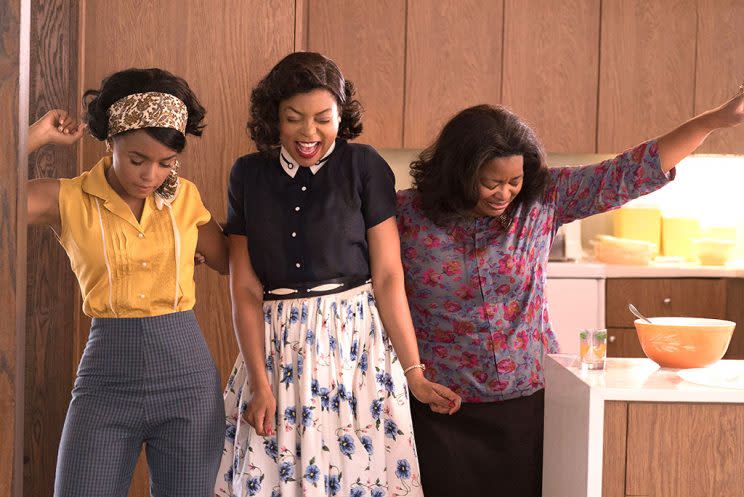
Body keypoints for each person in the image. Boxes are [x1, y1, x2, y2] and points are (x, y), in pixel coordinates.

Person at [396, 86, 744, 497]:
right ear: (458, 171)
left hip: (529, 400)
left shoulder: (542, 201)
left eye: (514, 181)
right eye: (491, 182)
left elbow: (629, 171)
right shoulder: (405, 214)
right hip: (440, 403)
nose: (504, 193)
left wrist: (711, 121)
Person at [214, 52, 461, 497]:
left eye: (323, 118)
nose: (309, 133)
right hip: (276, 350)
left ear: (341, 115)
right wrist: (258, 379)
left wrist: (414, 373)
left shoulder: (364, 166)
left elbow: (387, 277)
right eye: (294, 119)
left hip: (355, 351)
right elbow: (245, 286)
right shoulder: (246, 174)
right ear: (274, 119)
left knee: (357, 480)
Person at [27, 67, 229, 497]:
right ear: (110, 142)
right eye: (138, 159)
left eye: (166, 162)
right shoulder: (67, 199)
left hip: (189, 387)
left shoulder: (186, 198)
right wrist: (34, 136)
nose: (151, 174)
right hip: (106, 383)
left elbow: (231, 261)